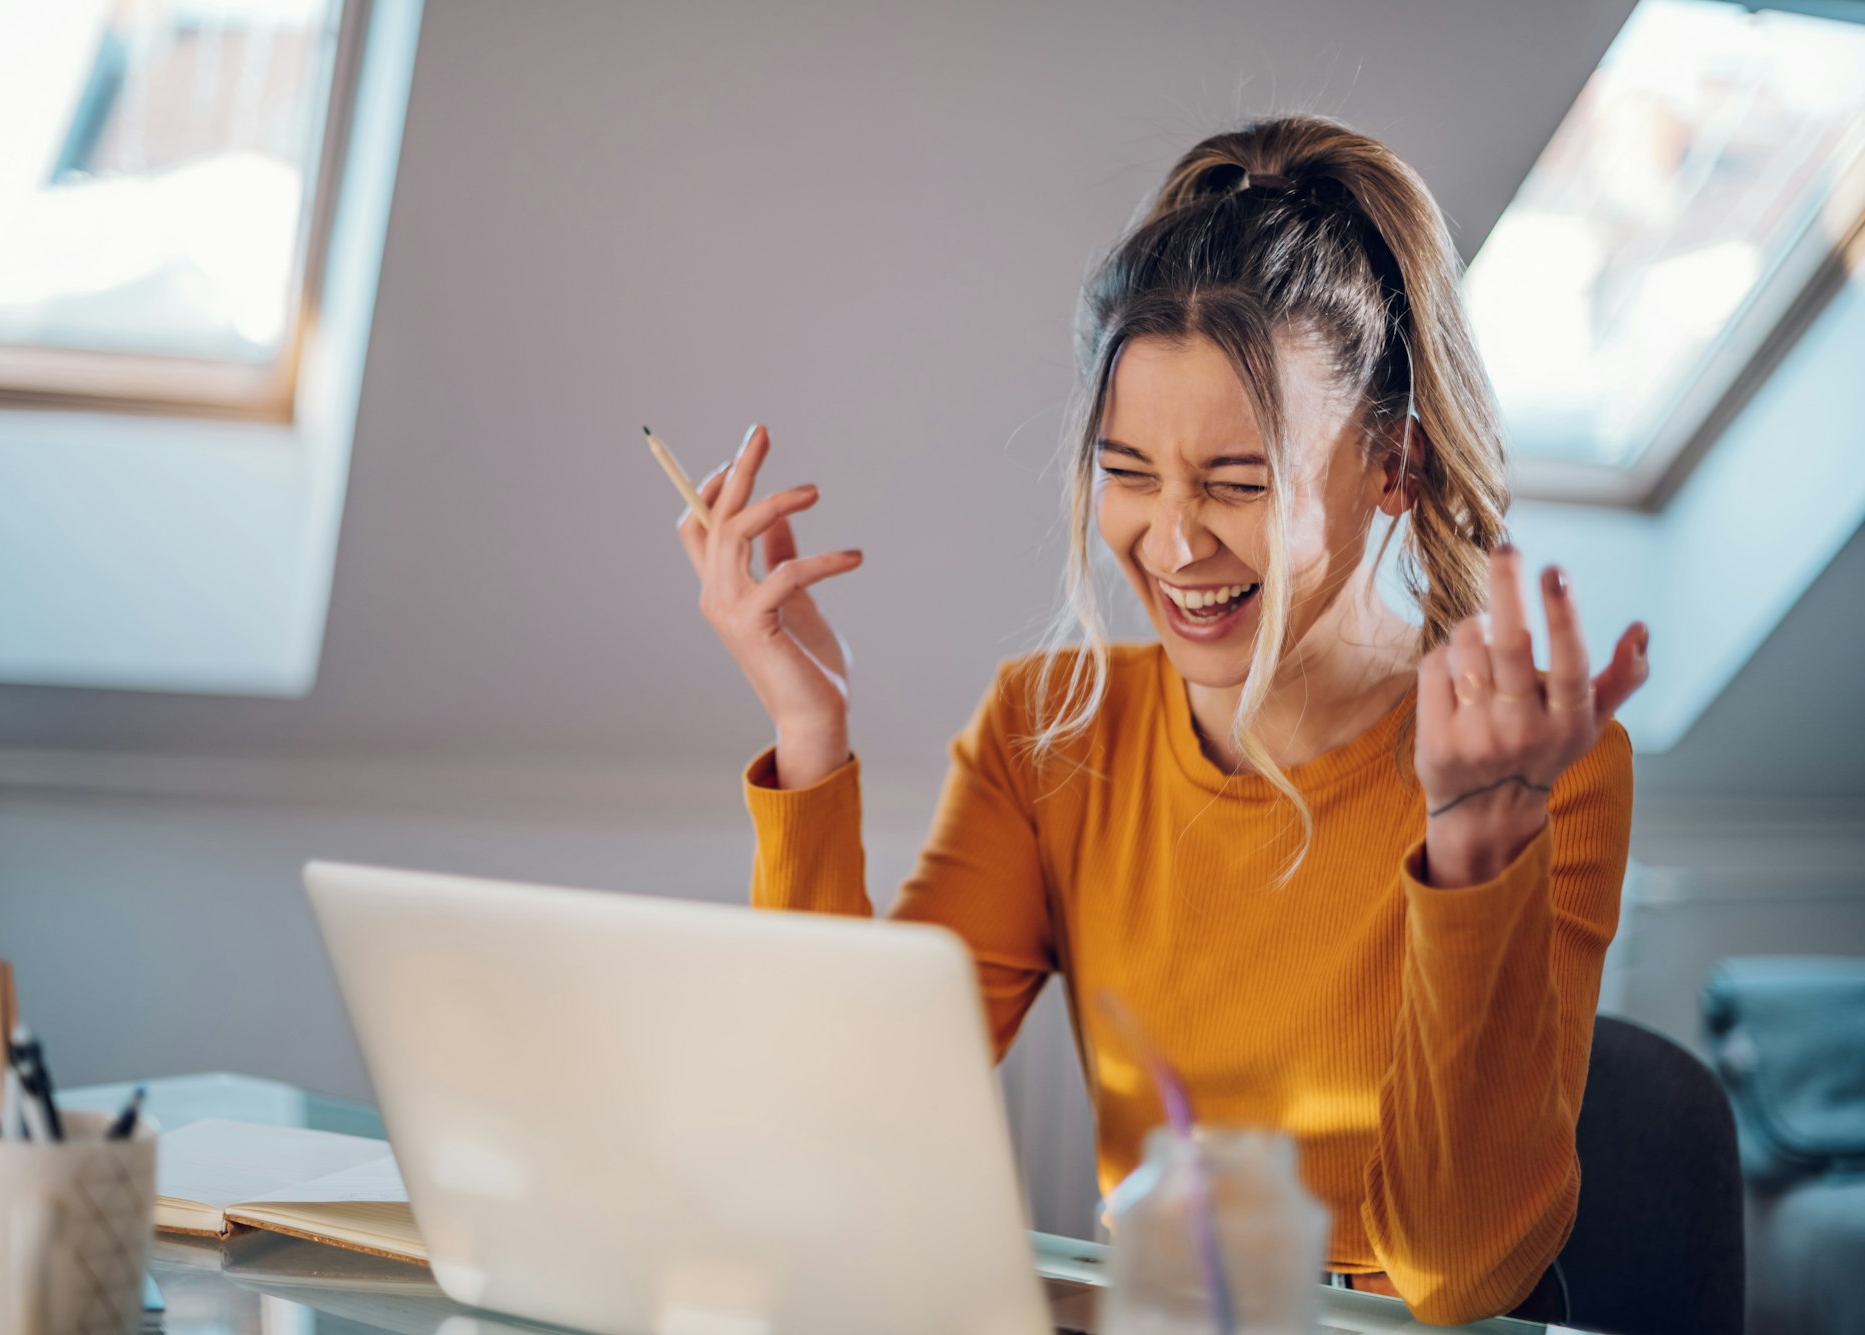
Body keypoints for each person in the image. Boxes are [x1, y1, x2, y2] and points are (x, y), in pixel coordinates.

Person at [673, 113, 1648, 1326]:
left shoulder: (1547, 771)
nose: (1172, 542)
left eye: (1235, 484)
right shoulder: (1052, 733)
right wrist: (807, 731)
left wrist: (1470, 856)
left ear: (1392, 467)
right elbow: (833, 1120)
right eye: (1125, 472)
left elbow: (1459, 1274)